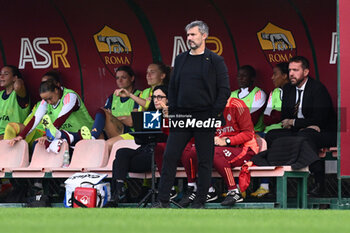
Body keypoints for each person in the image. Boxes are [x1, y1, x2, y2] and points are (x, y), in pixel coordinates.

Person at [154, 20, 230, 208]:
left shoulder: (215, 60)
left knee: (204, 160)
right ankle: (163, 200)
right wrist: (173, 110)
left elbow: (224, 89)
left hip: (206, 116)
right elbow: (172, 87)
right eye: (188, 35)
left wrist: (214, 113)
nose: (189, 38)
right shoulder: (180, 59)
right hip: (182, 116)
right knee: (170, 156)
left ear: (204, 36)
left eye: (193, 35)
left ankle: (200, 200)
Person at [265, 56, 337, 197]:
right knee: (272, 135)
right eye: (290, 70)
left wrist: (295, 123)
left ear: (305, 72)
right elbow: (284, 118)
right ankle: (274, 183)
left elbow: (319, 120)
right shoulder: (288, 89)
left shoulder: (317, 88)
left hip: (325, 132)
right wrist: (300, 124)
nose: (291, 73)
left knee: (306, 135)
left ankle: (319, 182)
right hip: (299, 131)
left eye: (296, 70)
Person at [44, 66, 141, 152]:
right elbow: (108, 118)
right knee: (90, 138)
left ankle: (90, 137)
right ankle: (67, 136)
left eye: (123, 77)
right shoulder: (113, 97)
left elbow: (132, 121)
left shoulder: (138, 95)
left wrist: (113, 118)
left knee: (101, 113)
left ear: (132, 78)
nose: (119, 80)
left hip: (129, 132)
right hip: (111, 131)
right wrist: (118, 118)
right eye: (117, 78)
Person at [104, 85, 169, 207]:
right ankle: (119, 191)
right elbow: (140, 141)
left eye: (160, 97)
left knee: (117, 163)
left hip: (160, 154)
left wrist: (166, 115)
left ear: (168, 99)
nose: (156, 100)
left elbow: (172, 137)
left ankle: (117, 194)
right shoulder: (149, 115)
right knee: (121, 152)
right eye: (154, 97)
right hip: (145, 150)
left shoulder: (173, 116)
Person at [9, 77, 94, 153]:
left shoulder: (70, 96)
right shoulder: (45, 101)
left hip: (85, 134)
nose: (48, 102)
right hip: (62, 135)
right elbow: (35, 119)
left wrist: (48, 136)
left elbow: (61, 118)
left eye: (50, 98)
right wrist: (21, 136)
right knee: (39, 143)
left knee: (50, 141)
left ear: (56, 90)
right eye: (46, 100)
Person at [250, 62, 289, 198]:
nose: (272, 77)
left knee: (267, 143)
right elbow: (267, 118)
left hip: (285, 133)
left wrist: (278, 114)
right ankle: (258, 187)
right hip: (268, 132)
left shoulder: (294, 91)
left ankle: (265, 186)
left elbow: (287, 114)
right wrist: (279, 114)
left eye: (275, 74)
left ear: (285, 76)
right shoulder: (275, 92)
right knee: (257, 142)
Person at [4, 70, 62, 150]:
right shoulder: (40, 104)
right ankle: (5, 156)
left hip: (45, 135)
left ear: (57, 85)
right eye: (42, 84)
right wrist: (21, 135)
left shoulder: (64, 101)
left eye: (48, 83)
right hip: (31, 132)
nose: (44, 86)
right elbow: (29, 122)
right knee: (11, 127)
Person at [230, 65, 267, 134]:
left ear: (252, 78)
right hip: (233, 132)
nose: (240, 78)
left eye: (244, 76)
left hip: (254, 133)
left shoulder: (258, 93)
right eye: (239, 75)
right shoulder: (231, 95)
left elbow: (252, 119)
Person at [0, 65, 30, 139]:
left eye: (6, 74)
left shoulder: (20, 94)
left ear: (14, 78)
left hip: (14, 135)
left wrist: (19, 80)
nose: (1, 77)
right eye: (0, 74)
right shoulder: (0, 94)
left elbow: (18, 86)